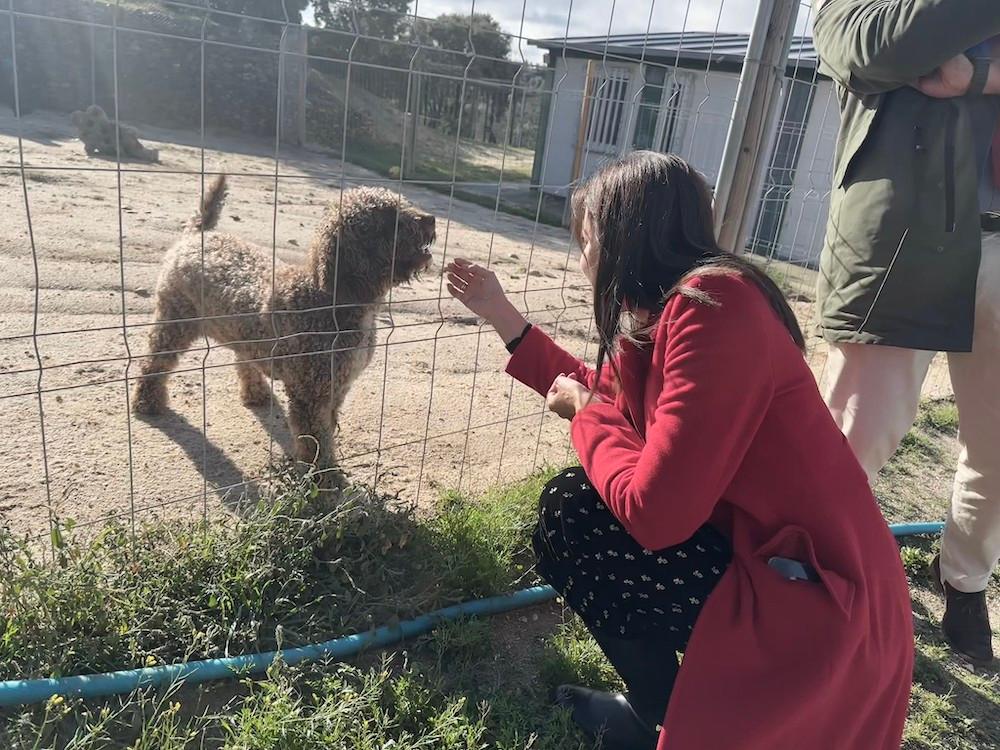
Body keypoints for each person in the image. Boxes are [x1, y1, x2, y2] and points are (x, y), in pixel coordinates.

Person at [446, 152, 913, 749]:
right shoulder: (674, 309)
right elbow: (602, 394)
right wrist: (502, 315)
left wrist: (587, 418)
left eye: (586, 240)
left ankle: (673, 719)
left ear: (624, 237)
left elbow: (656, 515)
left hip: (823, 608)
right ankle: (663, 714)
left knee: (577, 512)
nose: (583, 259)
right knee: (576, 512)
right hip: (773, 567)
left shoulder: (712, 307)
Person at [814, 0, 1000, 665]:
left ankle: (965, 582)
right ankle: (802, 587)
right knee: (854, 439)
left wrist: (978, 79)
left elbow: (946, 64)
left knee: (998, 450)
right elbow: (871, 49)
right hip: (903, 237)